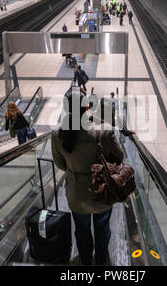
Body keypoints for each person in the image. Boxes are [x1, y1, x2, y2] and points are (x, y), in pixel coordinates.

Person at [51, 89, 124, 265]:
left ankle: (85, 260)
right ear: (86, 107)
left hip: (77, 194)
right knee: (102, 227)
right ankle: (101, 259)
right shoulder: (103, 132)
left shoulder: (58, 135)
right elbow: (119, 158)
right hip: (103, 191)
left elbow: (61, 164)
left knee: (82, 229)